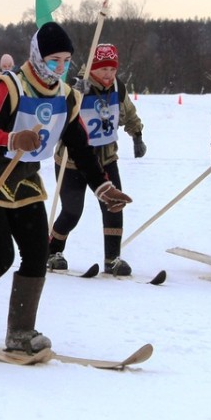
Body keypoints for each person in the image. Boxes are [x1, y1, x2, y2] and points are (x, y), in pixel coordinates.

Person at [0, 22, 132, 353]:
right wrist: (12, 138)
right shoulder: (10, 87)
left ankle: (20, 333)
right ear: (38, 57)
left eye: (66, 61)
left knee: (38, 253)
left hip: (23, 180)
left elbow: (81, 147)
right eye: (54, 60)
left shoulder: (66, 97)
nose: (60, 68)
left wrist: (102, 186)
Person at [48, 43, 146, 274]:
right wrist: (73, 95)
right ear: (92, 68)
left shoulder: (117, 87)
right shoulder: (76, 87)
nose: (108, 75)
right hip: (73, 161)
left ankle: (112, 258)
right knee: (72, 210)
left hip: (106, 157)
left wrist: (137, 135)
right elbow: (57, 114)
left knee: (114, 205)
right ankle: (52, 252)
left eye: (112, 70)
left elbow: (129, 114)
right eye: (103, 70)